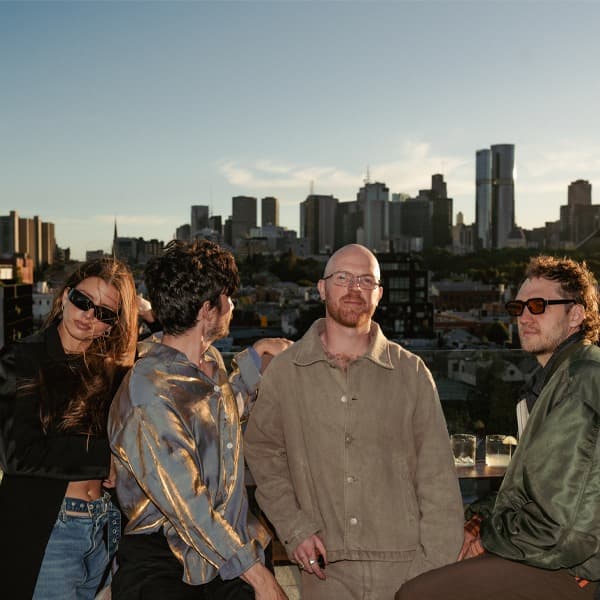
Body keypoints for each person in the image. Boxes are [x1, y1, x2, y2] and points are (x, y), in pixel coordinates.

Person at [244, 243, 464, 600]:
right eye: (342, 278)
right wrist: (295, 528)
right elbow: (263, 453)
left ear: (379, 294)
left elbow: (438, 478)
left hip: (405, 567)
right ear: (321, 288)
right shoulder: (286, 372)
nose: (354, 288)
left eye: (366, 280)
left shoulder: (411, 373)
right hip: (325, 572)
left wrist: (430, 571)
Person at [396, 255, 600, 600]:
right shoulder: (551, 383)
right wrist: (478, 519)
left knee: (416, 594)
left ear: (576, 315)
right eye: (518, 307)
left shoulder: (578, 381)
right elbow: (532, 490)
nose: (524, 317)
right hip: (550, 552)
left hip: (572, 567)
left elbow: (558, 528)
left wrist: (486, 536)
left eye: (538, 306)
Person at [108, 239, 290, 600]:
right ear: (207, 310)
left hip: (226, 553)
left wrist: (254, 362)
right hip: (168, 566)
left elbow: (216, 419)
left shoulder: (210, 363)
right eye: (227, 298)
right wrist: (261, 579)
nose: (233, 305)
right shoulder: (149, 390)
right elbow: (188, 506)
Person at [0, 257, 139, 600]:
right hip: (51, 531)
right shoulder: (22, 359)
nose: (88, 315)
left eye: (104, 313)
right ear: (64, 296)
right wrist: (105, 459)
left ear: (112, 326)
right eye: (82, 300)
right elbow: (18, 454)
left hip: (105, 528)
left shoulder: (115, 373)